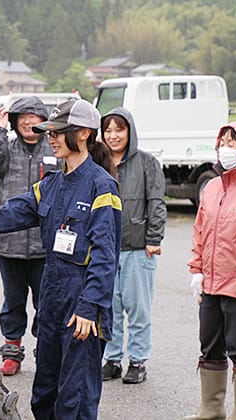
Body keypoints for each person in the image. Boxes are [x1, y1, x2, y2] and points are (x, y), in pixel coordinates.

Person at [0, 98, 122, 419]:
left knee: (75, 400)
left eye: (58, 132)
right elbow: (2, 216)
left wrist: (89, 307)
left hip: (81, 309)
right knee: (44, 396)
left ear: (84, 133)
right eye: (49, 133)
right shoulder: (49, 185)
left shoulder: (101, 186)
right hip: (52, 302)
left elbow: (105, 256)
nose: (51, 138)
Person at [185, 122, 236, 419]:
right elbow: (200, 231)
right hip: (211, 282)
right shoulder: (212, 187)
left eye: (234, 143)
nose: (226, 148)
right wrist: (197, 270)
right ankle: (211, 409)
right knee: (209, 344)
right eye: (223, 142)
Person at [0, 97, 59, 376]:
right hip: (9, 242)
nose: (28, 122)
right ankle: (12, 354)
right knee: (13, 301)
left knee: (46, 302)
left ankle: (46, 351)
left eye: (33, 117)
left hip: (45, 244)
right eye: (22, 117)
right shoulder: (7, 147)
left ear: (43, 120)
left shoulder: (54, 148)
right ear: (14, 122)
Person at [100, 108, 167, 384]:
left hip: (138, 248)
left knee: (138, 309)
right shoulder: (99, 161)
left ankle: (138, 360)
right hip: (106, 249)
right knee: (110, 308)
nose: (113, 136)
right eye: (108, 130)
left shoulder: (147, 162)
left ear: (130, 132)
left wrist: (153, 238)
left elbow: (157, 203)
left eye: (119, 129)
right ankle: (113, 359)